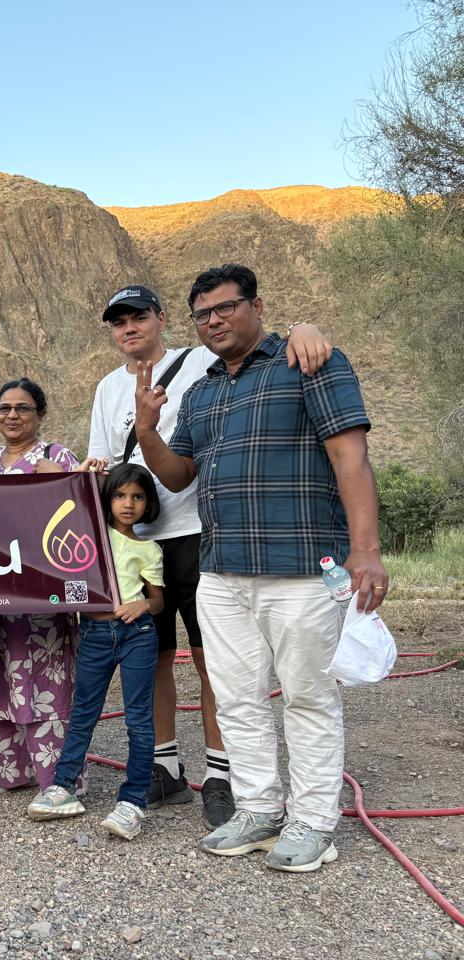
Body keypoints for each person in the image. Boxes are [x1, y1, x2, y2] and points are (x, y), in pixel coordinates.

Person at [136, 263, 386, 872]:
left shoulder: (309, 362)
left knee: (307, 695)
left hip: (304, 566)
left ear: (256, 306)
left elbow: (349, 455)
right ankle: (257, 807)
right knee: (237, 695)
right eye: (203, 314)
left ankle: (313, 822)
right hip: (222, 572)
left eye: (225, 307)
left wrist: (367, 551)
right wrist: (147, 429)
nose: (214, 320)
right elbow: (176, 476)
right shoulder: (201, 393)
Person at [87, 285, 333, 829]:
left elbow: (254, 345)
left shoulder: (199, 360)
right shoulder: (107, 388)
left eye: (139, 317)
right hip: (139, 542)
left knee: (211, 659)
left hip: (198, 530)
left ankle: (222, 773)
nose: (129, 328)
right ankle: (165, 765)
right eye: (119, 321)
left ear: (162, 319)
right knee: (149, 656)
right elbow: (105, 460)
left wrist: (302, 330)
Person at [26, 464, 164, 841]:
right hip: (94, 633)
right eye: (120, 495)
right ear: (107, 498)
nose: (128, 504)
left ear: (148, 503)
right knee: (84, 710)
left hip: (137, 633)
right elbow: (55, 479)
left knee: (138, 718)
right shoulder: (91, 535)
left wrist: (143, 607)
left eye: (138, 497)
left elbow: (157, 599)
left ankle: (133, 802)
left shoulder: (147, 547)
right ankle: (63, 787)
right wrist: (92, 472)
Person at [0, 379, 83, 797]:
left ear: (40, 414)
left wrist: (63, 480)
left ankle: (54, 777)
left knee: (45, 681)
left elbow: (81, 514)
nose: (13, 416)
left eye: (23, 408)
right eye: (5, 408)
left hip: (43, 597)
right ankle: (5, 770)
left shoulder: (57, 456)